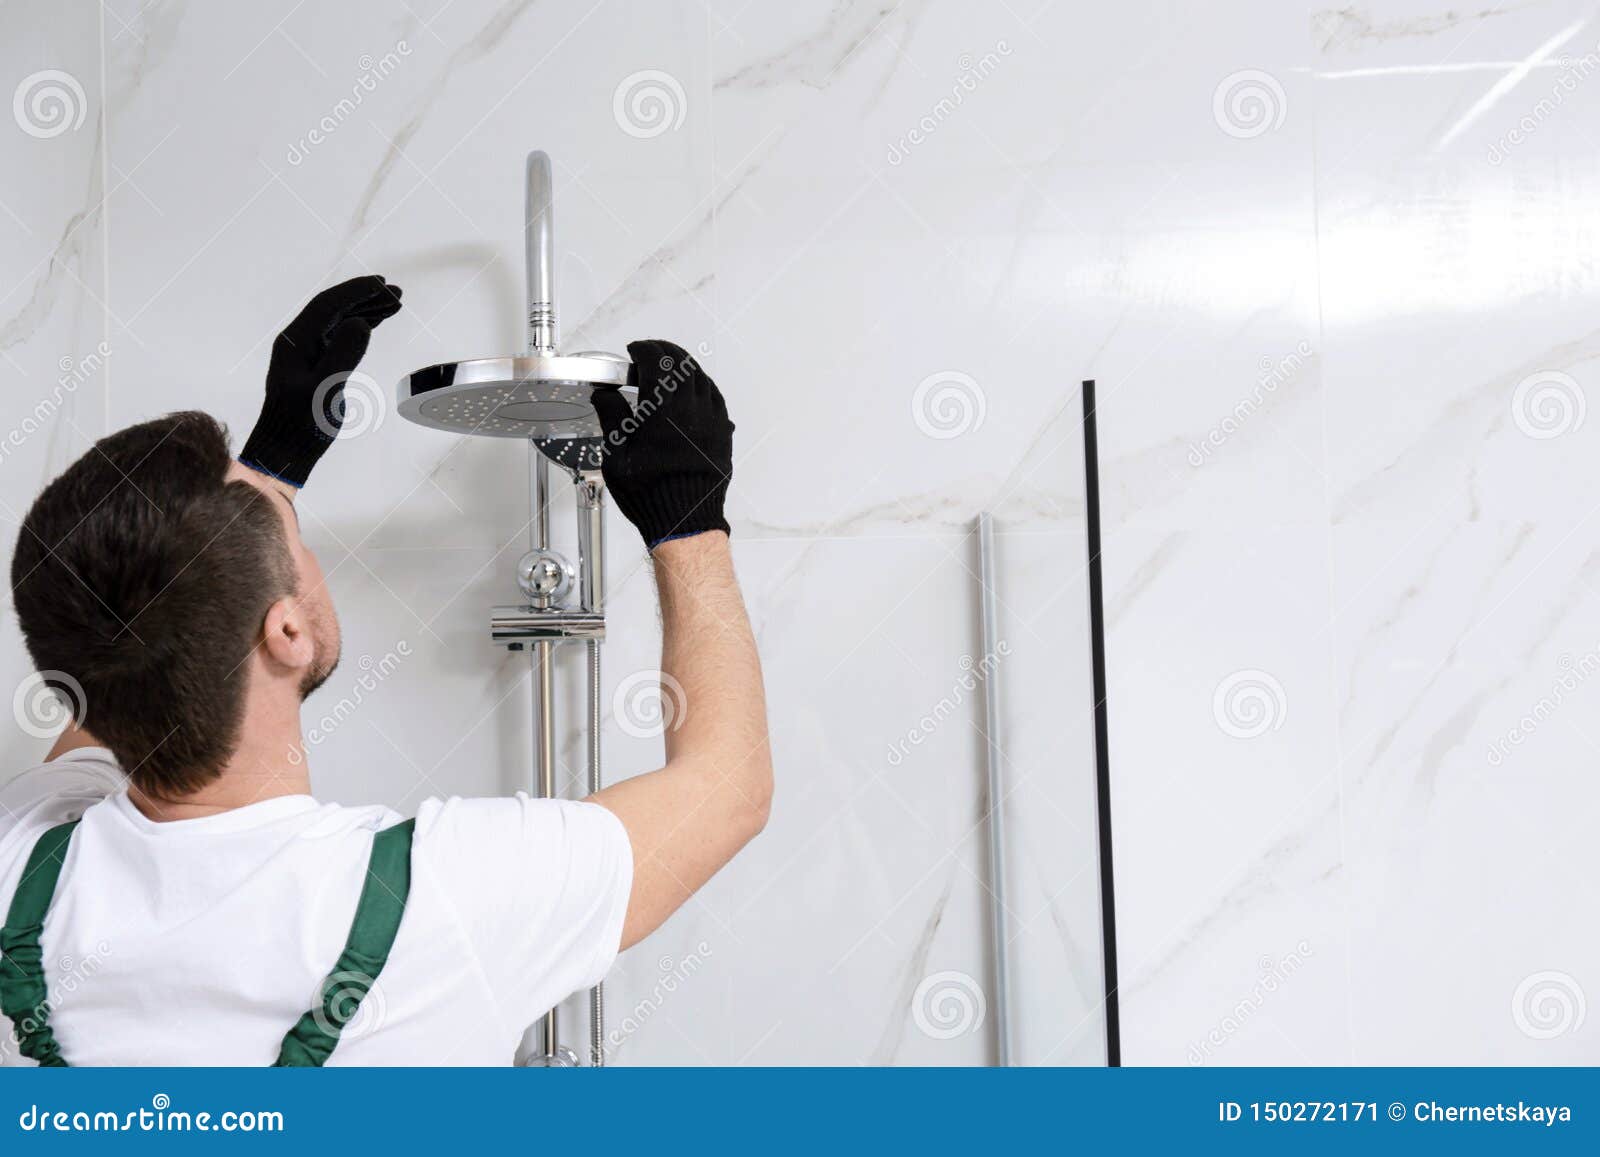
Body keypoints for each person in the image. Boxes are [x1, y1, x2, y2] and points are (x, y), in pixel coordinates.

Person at [0, 278, 772, 1066]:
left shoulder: (21, 864)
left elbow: (116, 644)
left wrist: (272, 467)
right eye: (292, 542)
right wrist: (689, 521)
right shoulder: (441, 899)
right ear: (288, 631)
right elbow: (729, 789)